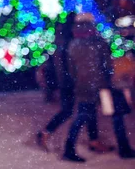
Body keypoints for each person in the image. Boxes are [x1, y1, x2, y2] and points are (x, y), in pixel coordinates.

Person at [63, 13, 135, 162]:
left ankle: (69, 148)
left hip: (83, 87)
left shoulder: (73, 44)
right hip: (103, 86)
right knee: (117, 116)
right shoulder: (98, 42)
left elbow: (71, 70)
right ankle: (124, 148)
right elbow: (107, 66)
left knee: (82, 116)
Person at [37, 13, 112, 153]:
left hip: (71, 80)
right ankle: (46, 133)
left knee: (89, 110)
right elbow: (67, 62)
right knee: (71, 111)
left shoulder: (66, 36)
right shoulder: (72, 38)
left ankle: (93, 140)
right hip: (71, 81)